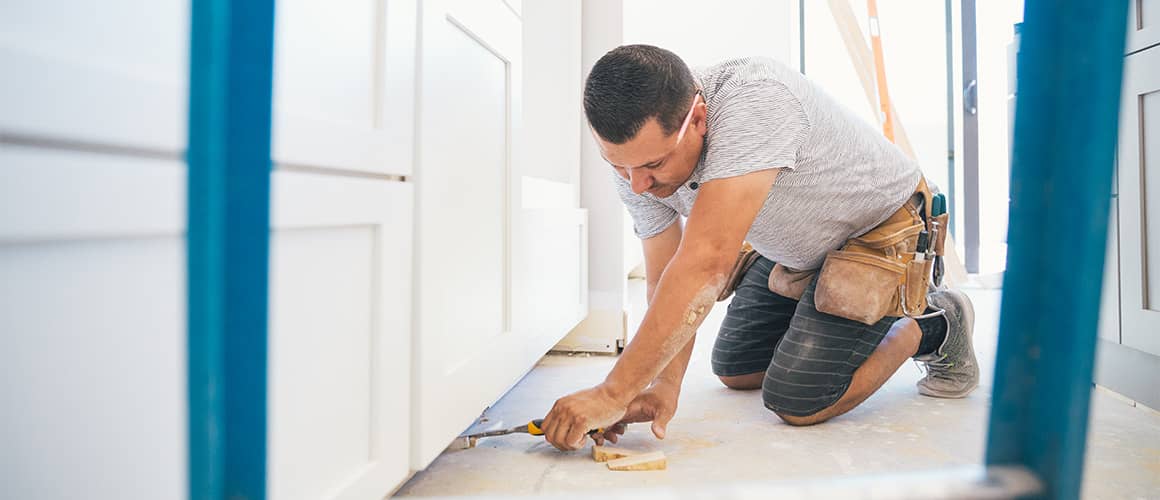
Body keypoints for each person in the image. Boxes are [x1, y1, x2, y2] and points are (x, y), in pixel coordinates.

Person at [539, 45, 977, 451]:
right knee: (737, 369)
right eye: (618, 165)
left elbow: (705, 265)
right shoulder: (637, 165)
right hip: (800, 245)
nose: (638, 184)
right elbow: (668, 275)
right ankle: (823, 305)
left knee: (800, 399)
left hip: (886, 230)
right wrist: (661, 385)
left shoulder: (755, 102)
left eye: (653, 164)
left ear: (698, 118)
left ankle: (938, 323)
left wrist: (613, 392)